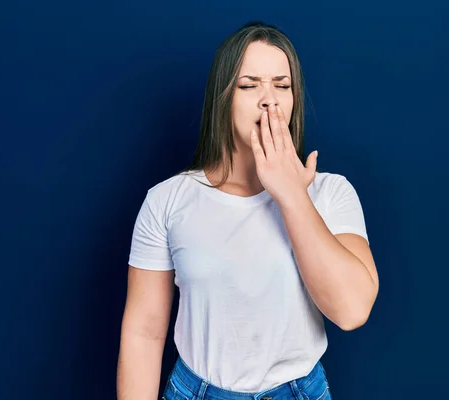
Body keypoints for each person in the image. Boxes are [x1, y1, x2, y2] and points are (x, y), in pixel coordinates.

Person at [117, 21, 379, 400]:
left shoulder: (331, 192)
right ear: (222, 98)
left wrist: (291, 195)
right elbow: (143, 331)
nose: (269, 99)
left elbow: (351, 311)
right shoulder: (168, 199)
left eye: (282, 85)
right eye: (249, 85)